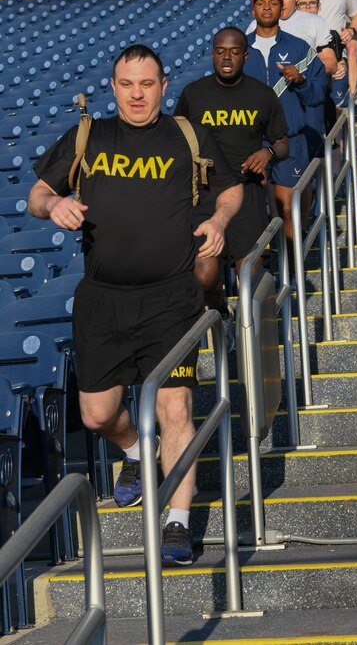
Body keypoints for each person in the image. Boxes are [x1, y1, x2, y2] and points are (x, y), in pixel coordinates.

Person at [27, 44, 243, 567]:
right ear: (113, 86)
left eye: (147, 83)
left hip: (171, 298)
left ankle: (176, 521)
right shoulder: (88, 136)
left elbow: (231, 189)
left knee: (176, 407)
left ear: (164, 86)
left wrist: (217, 221)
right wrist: (54, 203)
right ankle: (133, 452)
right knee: (97, 414)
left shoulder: (187, 136)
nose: (138, 94)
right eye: (128, 84)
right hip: (102, 301)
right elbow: (35, 194)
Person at [175, 27, 289, 348]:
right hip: (207, 195)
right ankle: (222, 313)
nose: (227, 57)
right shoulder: (193, 95)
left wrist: (267, 152)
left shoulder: (262, 95)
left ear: (245, 55)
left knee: (250, 274)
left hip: (247, 194)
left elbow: (282, 142)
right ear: (212, 54)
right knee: (206, 275)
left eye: (234, 51)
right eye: (220, 51)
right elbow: (176, 140)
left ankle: (253, 337)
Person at [243, 0, 328, 277]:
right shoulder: (240, 50)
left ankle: (293, 274)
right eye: (261, 3)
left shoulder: (300, 47)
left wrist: (301, 81)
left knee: (289, 212)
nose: (267, 7)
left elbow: (319, 93)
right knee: (256, 216)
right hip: (252, 142)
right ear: (253, 9)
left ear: (282, 9)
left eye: (273, 3)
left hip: (291, 141)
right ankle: (261, 275)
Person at [245, 0, 340, 77]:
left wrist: (299, 75)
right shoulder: (255, 26)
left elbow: (331, 64)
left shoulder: (315, 22)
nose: (282, 3)